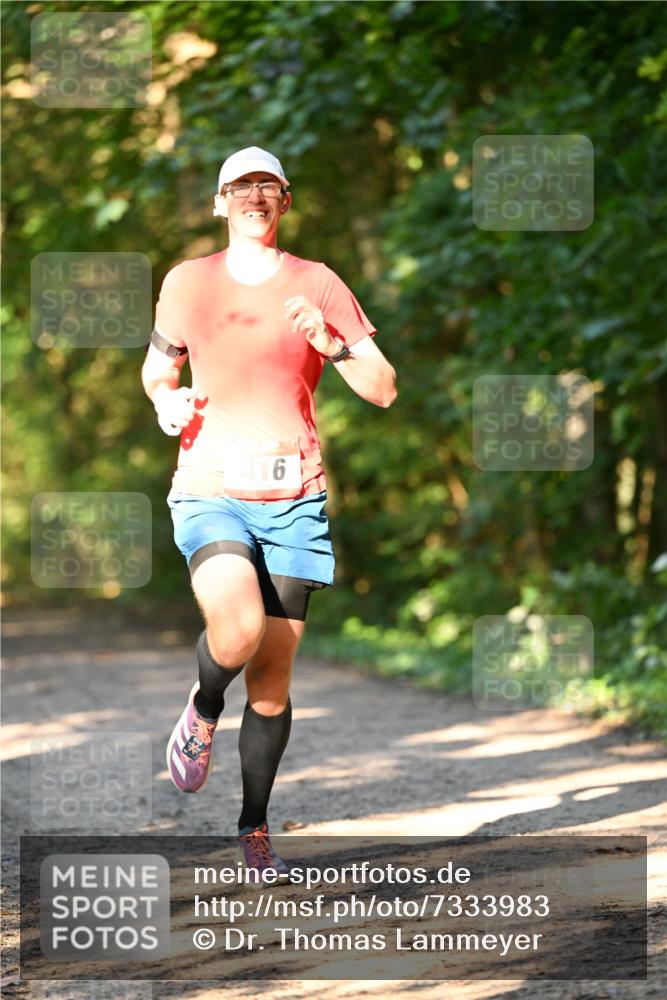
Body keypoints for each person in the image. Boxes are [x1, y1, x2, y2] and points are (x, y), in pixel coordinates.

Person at [141, 146, 396, 880]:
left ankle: (254, 830)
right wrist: (165, 399)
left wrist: (332, 346)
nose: (254, 196)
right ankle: (203, 703)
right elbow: (158, 368)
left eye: (268, 187)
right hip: (211, 487)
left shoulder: (318, 283)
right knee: (239, 627)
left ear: (285, 201)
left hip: (294, 500)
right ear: (219, 202)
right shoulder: (188, 282)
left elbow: (383, 388)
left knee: (273, 680)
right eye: (241, 186)